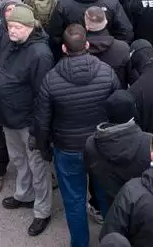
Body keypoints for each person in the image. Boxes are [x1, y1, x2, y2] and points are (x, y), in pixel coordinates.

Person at [35, 24, 120, 247]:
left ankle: (80, 243)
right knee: (106, 195)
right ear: (88, 45)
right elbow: (117, 109)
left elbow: (42, 122)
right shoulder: (106, 72)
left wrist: (44, 149)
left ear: (64, 48)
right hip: (101, 147)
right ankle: (111, 239)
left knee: (74, 201)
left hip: (67, 149)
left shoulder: (51, 79)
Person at [0, 3, 54, 234]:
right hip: (7, 116)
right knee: (19, 159)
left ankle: (42, 211)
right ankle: (24, 195)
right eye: (9, 26)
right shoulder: (10, 40)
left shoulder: (40, 54)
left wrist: (37, 129)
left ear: (29, 27)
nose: (10, 30)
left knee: (38, 167)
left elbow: (43, 95)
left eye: (16, 27)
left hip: (27, 121)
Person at [85, 90, 152, 218]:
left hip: (113, 207)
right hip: (142, 207)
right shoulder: (148, 141)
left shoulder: (91, 144)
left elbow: (91, 170)